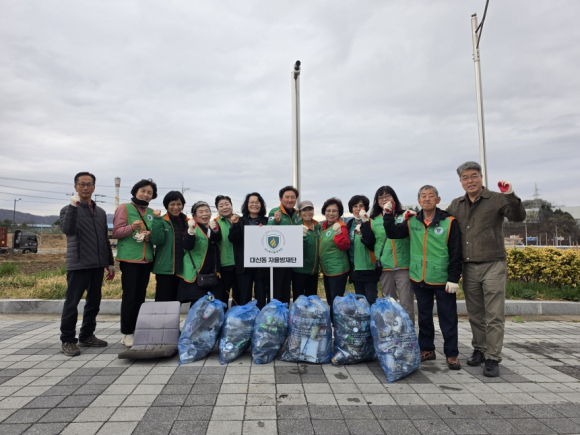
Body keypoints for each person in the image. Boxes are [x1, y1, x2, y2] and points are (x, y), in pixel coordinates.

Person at [447, 161, 526, 377]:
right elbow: (439, 220)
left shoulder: (497, 198)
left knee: (494, 315)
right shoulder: (456, 204)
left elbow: (518, 216)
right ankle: (480, 349)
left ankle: (492, 357)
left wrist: (510, 194)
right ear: (460, 181)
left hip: (493, 264)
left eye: (474, 176)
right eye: (465, 177)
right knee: (475, 314)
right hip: (468, 266)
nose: (470, 180)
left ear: (481, 177)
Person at [383, 185, 462, 370]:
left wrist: (453, 278)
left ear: (438, 199)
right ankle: (427, 349)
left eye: (431, 196)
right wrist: (388, 214)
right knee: (424, 317)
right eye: (423, 196)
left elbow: (456, 252)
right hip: (420, 277)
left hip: (442, 279)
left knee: (448, 318)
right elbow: (392, 233)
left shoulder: (449, 222)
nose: (427, 199)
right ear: (419, 201)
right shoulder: (412, 221)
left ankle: (451, 354)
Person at [59, 172, 114, 356]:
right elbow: (68, 230)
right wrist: (73, 207)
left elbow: (104, 239)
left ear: (94, 188)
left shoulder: (100, 212)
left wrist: (109, 262)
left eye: (89, 184)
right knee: (72, 303)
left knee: (94, 302)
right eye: (81, 184)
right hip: (78, 264)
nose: (85, 188)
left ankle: (87, 335)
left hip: (97, 265)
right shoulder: (67, 210)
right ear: (75, 187)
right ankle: (67, 339)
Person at [113, 179, 157, 347]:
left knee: (140, 297)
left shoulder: (151, 212)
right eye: (143, 191)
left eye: (149, 193)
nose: (146, 195)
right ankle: (127, 333)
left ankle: (137, 329)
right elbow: (116, 232)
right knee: (130, 297)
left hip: (146, 260)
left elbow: (154, 233)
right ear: (135, 191)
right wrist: (132, 227)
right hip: (130, 259)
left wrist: (150, 236)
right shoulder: (124, 208)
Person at [361, 186, 414, 322]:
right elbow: (369, 242)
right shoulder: (373, 219)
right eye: (381, 197)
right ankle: (390, 332)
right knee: (389, 304)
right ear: (376, 201)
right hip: (385, 265)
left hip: (404, 265)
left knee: (406, 303)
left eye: (387, 196)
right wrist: (364, 224)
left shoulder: (404, 215)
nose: (384, 199)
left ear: (394, 198)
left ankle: (408, 333)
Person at [177, 201, 222, 306]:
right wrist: (190, 231)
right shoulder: (193, 228)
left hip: (210, 273)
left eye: (207, 211)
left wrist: (215, 230)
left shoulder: (211, 227)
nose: (204, 214)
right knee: (197, 306)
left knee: (208, 306)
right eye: (200, 212)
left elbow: (217, 239)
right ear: (194, 216)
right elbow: (187, 245)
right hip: (196, 274)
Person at [229, 193, 269, 308]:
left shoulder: (267, 221)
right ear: (246, 204)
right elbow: (233, 239)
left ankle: (260, 317)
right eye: (251, 202)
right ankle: (244, 317)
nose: (254, 204)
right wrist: (235, 225)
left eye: (257, 202)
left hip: (261, 264)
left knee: (261, 295)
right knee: (244, 295)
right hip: (244, 264)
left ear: (261, 205)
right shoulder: (239, 220)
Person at [151, 191, 187, 302]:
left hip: (182, 269)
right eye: (172, 204)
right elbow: (157, 240)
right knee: (163, 301)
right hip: (165, 269)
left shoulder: (186, 222)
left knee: (178, 301)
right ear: (167, 205)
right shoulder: (161, 221)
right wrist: (156, 220)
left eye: (179, 204)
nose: (176, 207)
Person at [267, 185, 300, 303]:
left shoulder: (297, 214)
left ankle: (285, 311)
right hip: (277, 257)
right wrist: (275, 222)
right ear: (281, 199)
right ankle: (274, 311)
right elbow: (267, 230)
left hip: (292, 257)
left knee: (287, 288)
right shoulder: (275, 211)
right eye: (287, 197)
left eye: (293, 197)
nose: (290, 200)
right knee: (276, 289)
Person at [319, 197, 350, 322]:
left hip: (338, 270)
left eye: (334, 211)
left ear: (339, 213)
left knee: (336, 302)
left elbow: (344, 246)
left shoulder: (341, 227)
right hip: (328, 270)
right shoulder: (324, 227)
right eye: (328, 210)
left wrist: (338, 234)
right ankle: (333, 325)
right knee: (330, 300)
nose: (331, 213)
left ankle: (337, 326)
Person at [346, 195, 378, 305]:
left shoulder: (370, 222)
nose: (358, 209)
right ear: (351, 208)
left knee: (371, 300)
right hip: (354, 267)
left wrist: (364, 224)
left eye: (361, 206)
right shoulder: (349, 224)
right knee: (360, 302)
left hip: (368, 266)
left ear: (366, 208)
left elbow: (371, 242)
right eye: (355, 206)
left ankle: (373, 317)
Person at [213, 195, 240, 309]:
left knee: (239, 295)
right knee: (223, 295)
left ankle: (236, 317)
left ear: (231, 206)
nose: (225, 207)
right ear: (217, 209)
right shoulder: (215, 222)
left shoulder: (240, 219)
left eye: (227, 204)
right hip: (224, 265)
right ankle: (222, 316)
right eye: (221, 205)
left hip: (240, 264)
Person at [291, 200, 320, 301]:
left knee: (311, 301)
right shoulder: (296, 227)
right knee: (299, 301)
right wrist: (302, 237)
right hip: (300, 271)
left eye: (310, 209)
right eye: (304, 210)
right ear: (300, 213)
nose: (307, 212)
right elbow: (295, 249)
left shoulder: (318, 227)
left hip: (314, 271)